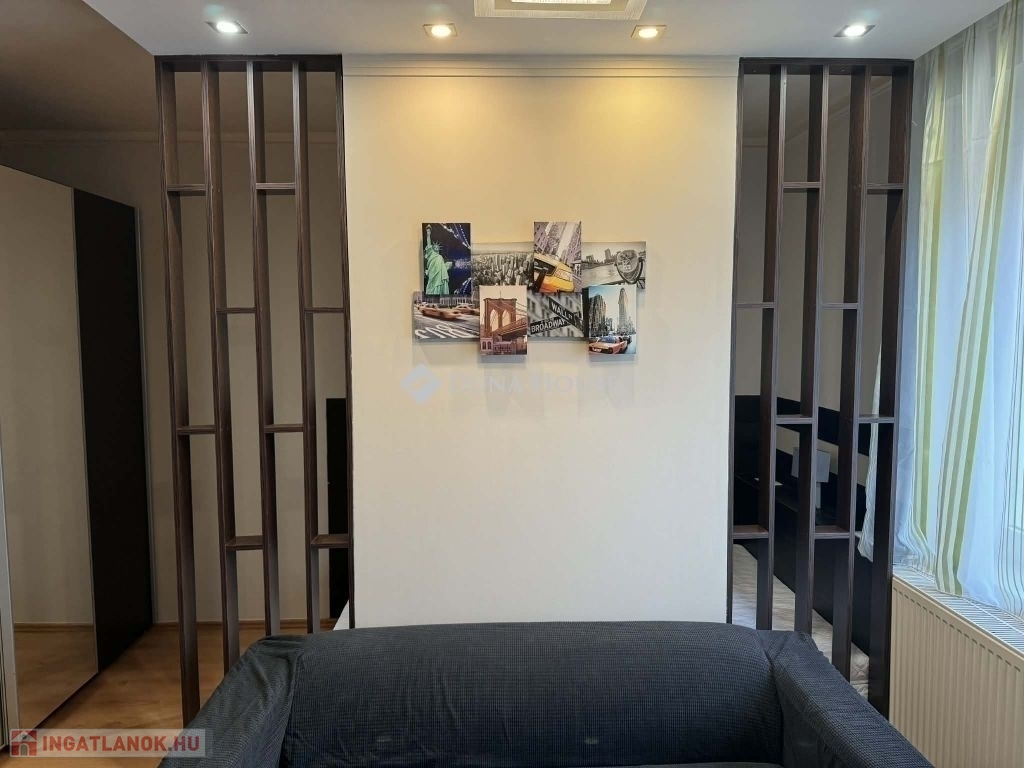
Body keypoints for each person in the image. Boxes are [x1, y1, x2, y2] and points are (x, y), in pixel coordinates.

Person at [424, 225, 452, 294]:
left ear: (439, 249)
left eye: (437, 247)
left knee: (440, 285)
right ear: (433, 248)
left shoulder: (440, 256)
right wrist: (428, 234)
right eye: (435, 247)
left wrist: (447, 265)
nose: (436, 248)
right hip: (433, 272)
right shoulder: (431, 253)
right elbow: (429, 243)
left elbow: (443, 267)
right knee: (432, 285)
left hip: (440, 274)